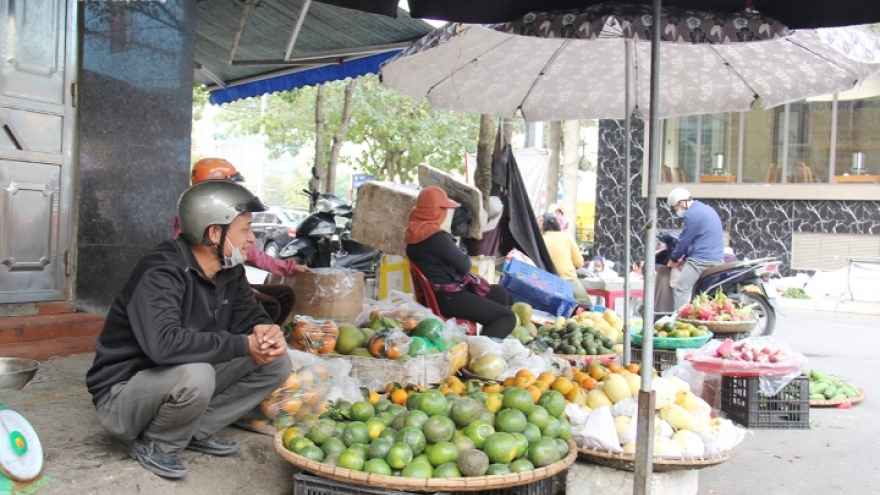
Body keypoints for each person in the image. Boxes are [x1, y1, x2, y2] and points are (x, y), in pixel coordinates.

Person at [86, 181, 293, 479]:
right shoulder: (161, 271)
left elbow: (251, 316)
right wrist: (243, 345)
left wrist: (266, 332)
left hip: (176, 379)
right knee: (197, 373)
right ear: (213, 233)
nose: (252, 239)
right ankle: (156, 442)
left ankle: (193, 430)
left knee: (277, 362)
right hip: (121, 395)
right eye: (245, 229)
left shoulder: (229, 269)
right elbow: (164, 345)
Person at [178, 158, 310, 325]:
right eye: (231, 186)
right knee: (268, 305)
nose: (251, 237)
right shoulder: (164, 269)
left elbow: (252, 255)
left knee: (283, 295)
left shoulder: (234, 256)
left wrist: (289, 267)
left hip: (227, 282)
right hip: (211, 287)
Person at [405, 186, 516, 339]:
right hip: (450, 299)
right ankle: (479, 352)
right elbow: (465, 265)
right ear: (436, 211)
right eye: (443, 209)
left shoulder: (414, 233)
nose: (445, 213)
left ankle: (491, 337)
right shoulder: (435, 237)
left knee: (500, 294)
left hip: (440, 295)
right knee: (507, 318)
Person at [666, 187, 725, 311]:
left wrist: (674, 258)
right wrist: (685, 258)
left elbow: (684, 240)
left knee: (681, 288)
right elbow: (699, 238)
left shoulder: (691, 215)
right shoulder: (707, 209)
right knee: (702, 293)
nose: (677, 211)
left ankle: (678, 320)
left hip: (701, 261)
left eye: (676, 208)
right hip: (717, 258)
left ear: (682, 203)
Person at [541, 214, 592, 306]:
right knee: (587, 307)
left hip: (547, 284)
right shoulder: (567, 237)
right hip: (569, 281)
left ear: (543, 227)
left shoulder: (540, 239)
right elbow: (579, 263)